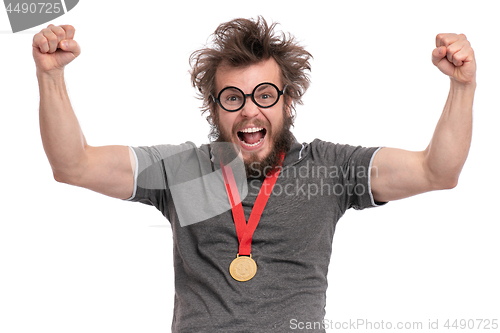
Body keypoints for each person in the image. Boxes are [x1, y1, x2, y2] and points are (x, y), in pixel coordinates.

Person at [33, 17, 476, 332]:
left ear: (287, 101)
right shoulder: (185, 171)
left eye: (264, 95)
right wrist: (50, 77)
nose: (249, 110)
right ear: (214, 108)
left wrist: (462, 87)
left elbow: (437, 171)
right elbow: (73, 165)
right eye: (232, 98)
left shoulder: (331, 169)